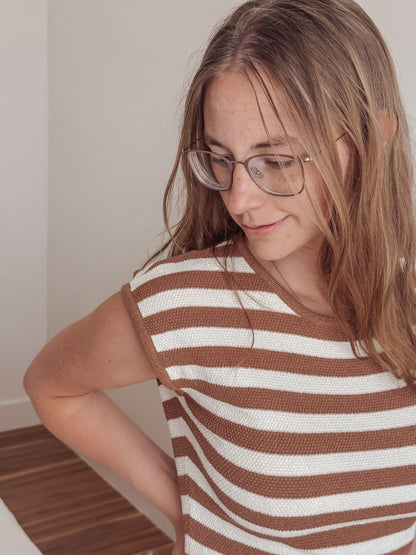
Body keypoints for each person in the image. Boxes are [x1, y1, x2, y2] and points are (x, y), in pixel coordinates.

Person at [24, 0, 416, 553]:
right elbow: (51, 385)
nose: (238, 199)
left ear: (375, 137)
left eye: (277, 159)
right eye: (221, 158)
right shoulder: (185, 304)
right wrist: (185, 508)